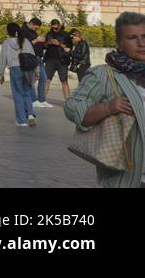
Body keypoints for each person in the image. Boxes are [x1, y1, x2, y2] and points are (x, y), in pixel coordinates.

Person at [64, 11, 145, 188]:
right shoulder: (103, 75)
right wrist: (108, 107)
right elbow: (72, 107)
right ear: (120, 44)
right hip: (128, 178)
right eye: (132, 38)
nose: (141, 43)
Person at [0, 22, 37, 127]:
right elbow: (33, 57)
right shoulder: (26, 41)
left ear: (9, 31)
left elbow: (3, 60)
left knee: (18, 94)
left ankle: (21, 120)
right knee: (27, 92)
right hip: (28, 69)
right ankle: (30, 114)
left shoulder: (7, 43)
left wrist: (1, 74)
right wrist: (36, 71)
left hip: (15, 69)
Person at [43, 19, 73, 101]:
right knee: (46, 80)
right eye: (53, 28)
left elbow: (70, 48)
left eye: (56, 28)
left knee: (64, 81)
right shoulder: (49, 34)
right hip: (50, 60)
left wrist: (59, 44)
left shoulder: (66, 35)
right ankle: (42, 100)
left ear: (59, 26)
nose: (54, 30)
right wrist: (48, 42)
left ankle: (68, 102)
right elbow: (44, 46)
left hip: (62, 60)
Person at [25, 17, 52, 107]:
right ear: (31, 23)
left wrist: (44, 42)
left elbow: (37, 43)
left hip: (39, 57)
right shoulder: (24, 31)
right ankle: (33, 100)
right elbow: (26, 44)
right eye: (36, 27)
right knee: (32, 79)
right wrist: (37, 40)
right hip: (31, 57)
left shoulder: (33, 31)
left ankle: (42, 99)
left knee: (44, 78)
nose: (36, 29)